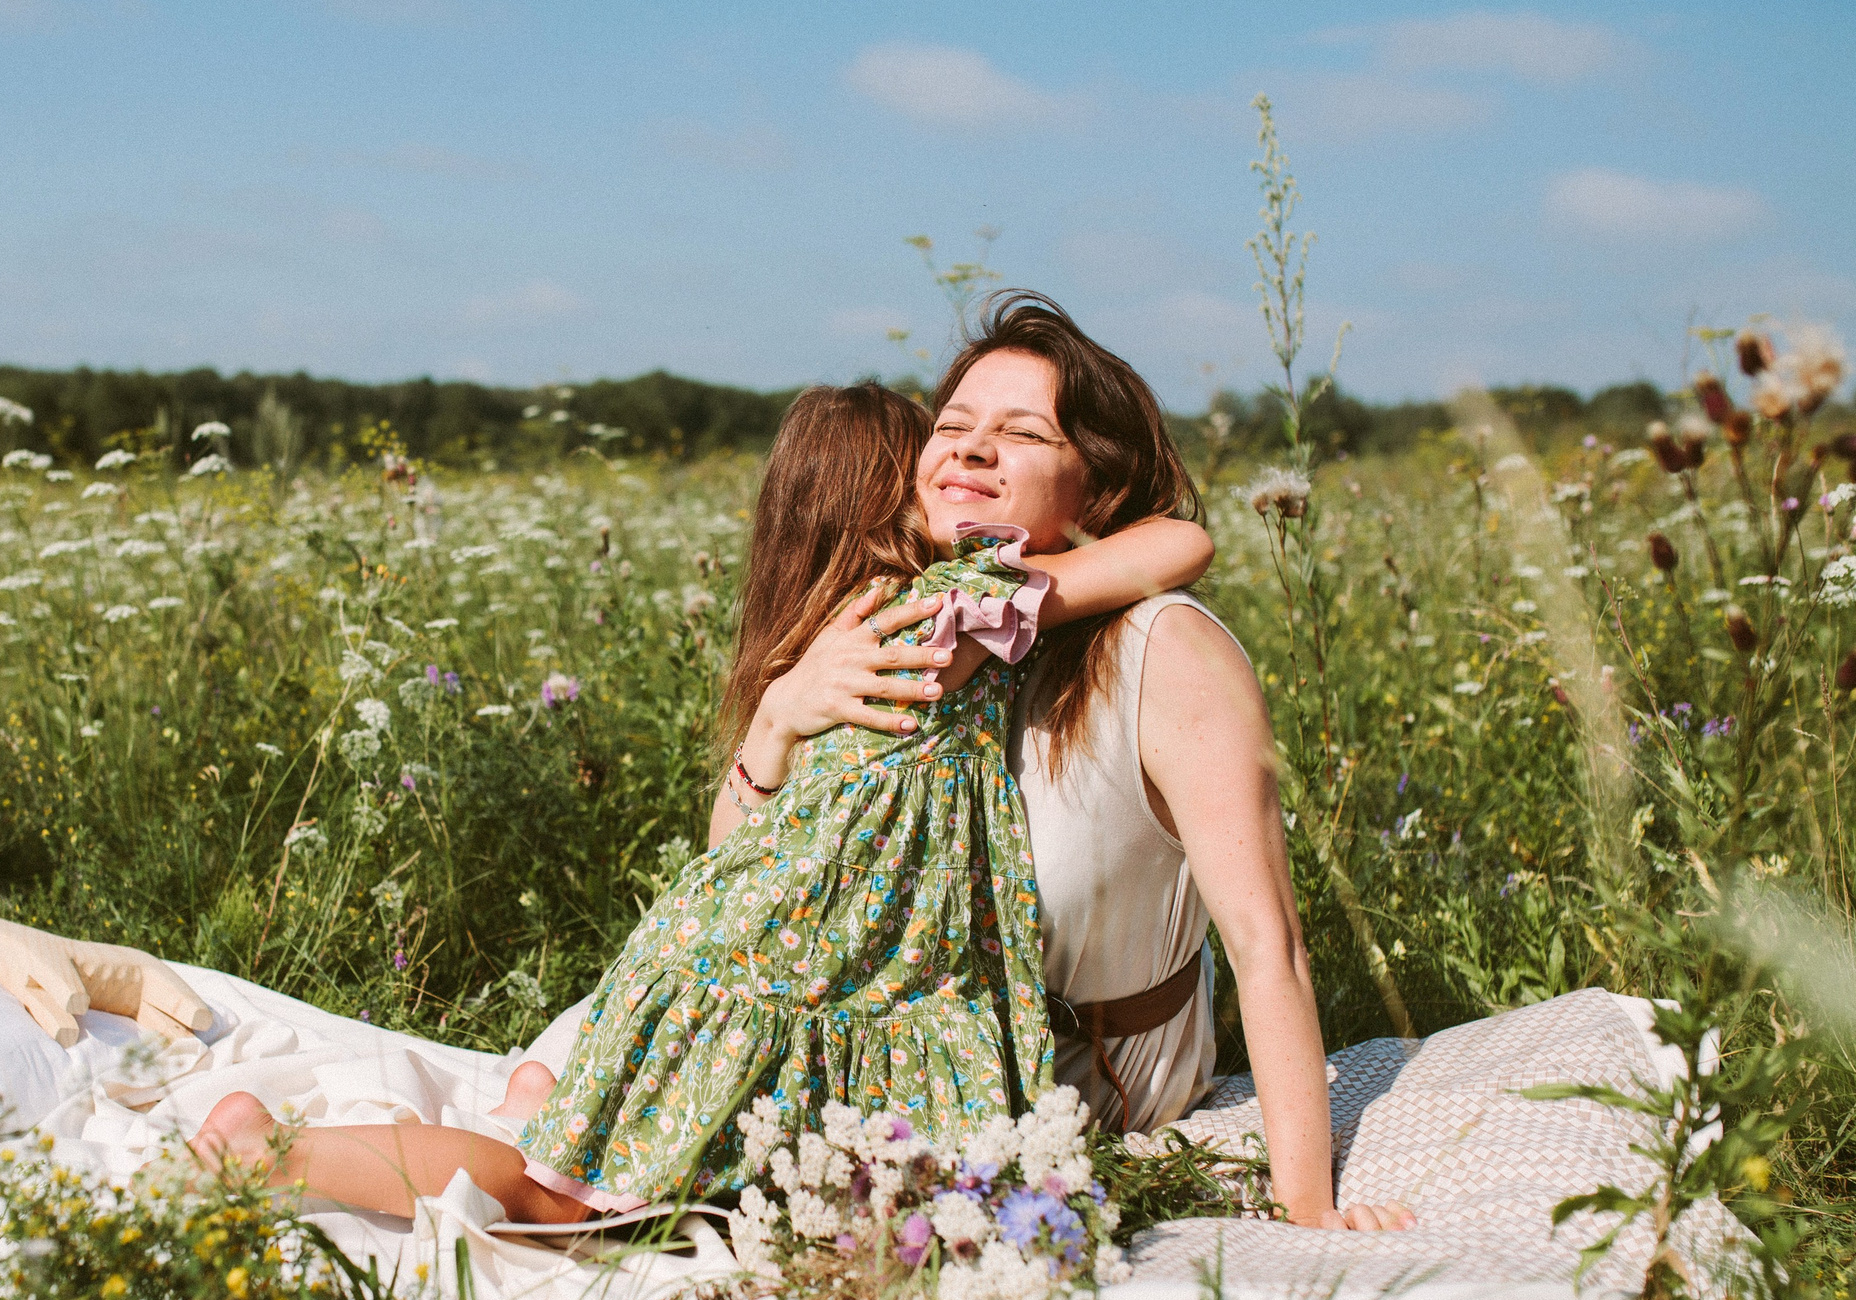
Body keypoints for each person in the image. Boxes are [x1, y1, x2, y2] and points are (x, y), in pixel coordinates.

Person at [191, 372, 1214, 1222]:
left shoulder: (831, 627)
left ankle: (549, 1097)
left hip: (732, 958)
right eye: (933, 460)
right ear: (896, 504)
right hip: (761, 978)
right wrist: (1044, 545)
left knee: (654, 1169)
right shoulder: (941, 613)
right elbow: (1181, 543)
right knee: (570, 1209)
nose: (961, 468)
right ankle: (270, 1151)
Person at [737, 292, 1409, 1231]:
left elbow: (1269, 945)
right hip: (891, 1054)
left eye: (1022, 433)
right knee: (577, 1074)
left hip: (1084, 1088)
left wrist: (1308, 1206)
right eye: (953, 427)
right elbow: (737, 882)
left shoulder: (1163, 650)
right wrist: (776, 718)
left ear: (1095, 491)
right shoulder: (904, 622)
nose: (973, 449)